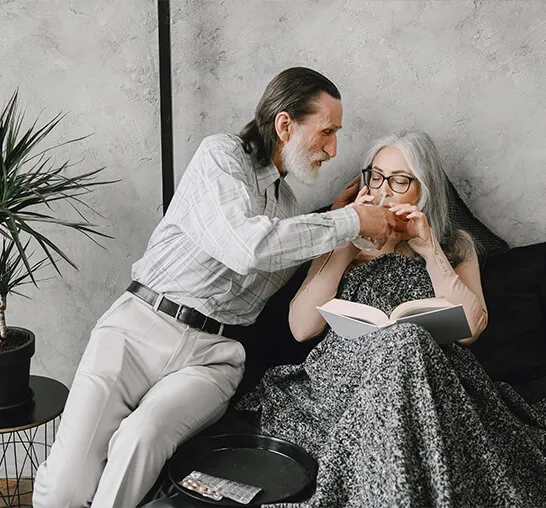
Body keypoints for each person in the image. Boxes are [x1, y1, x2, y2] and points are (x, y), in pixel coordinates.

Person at [33, 67, 403, 508]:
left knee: (141, 437)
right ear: (285, 124)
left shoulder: (288, 208)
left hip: (213, 358)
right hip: (137, 329)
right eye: (327, 131)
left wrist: (344, 227)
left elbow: (288, 254)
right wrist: (351, 221)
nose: (333, 148)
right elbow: (248, 246)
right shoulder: (221, 156)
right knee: (63, 489)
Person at [240, 131, 546, 507]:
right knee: (401, 341)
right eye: (376, 177)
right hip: (350, 378)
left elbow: (470, 329)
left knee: (407, 340)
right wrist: (347, 241)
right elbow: (302, 328)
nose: (384, 190)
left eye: (400, 180)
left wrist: (428, 247)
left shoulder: (454, 244)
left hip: (430, 378)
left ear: (423, 189)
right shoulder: (339, 238)